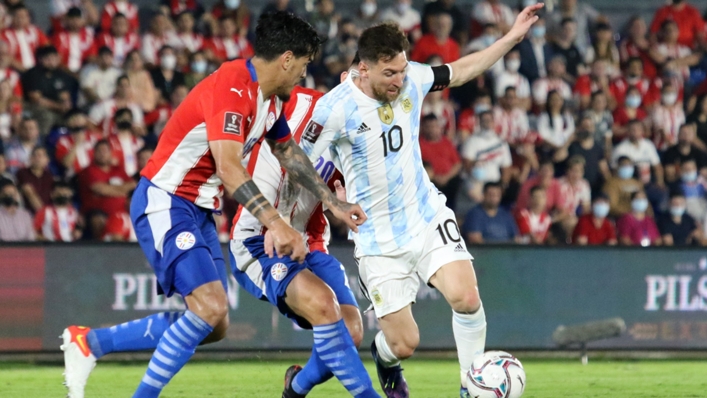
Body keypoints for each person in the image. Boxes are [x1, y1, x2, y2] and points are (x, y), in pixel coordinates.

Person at [62, 12, 369, 398]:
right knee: (208, 308)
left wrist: (332, 203)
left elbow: (289, 153)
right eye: (305, 64)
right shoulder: (233, 87)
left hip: (199, 210)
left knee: (214, 322)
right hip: (166, 199)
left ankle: (91, 343)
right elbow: (228, 167)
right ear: (287, 58)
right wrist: (275, 222)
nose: (304, 75)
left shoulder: (270, 100)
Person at [301, 5, 543, 397]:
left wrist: (512, 37)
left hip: (425, 214)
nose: (400, 80)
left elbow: (462, 69)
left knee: (466, 298)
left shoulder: (412, 77)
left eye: (402, 69)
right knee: (404, 344)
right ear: (363, 69)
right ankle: (386, 359)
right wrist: (333, 202)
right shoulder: (334, 108)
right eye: (389, 73)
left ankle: (471, 385)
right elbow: (296, 157)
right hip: (378, 237)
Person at [231, 80, 376, 397]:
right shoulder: (294, 107)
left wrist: (345, 199)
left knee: (351, 331)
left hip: (310, 244)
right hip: (258, 240)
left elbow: (348, 202)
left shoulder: (362, 142)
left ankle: (295, 388)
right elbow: (251, 161)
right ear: (351, 78)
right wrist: (272, 221)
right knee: (325, 305)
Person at [21, 46, 76, 136]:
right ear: (41, 59)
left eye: (54, 58)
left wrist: (66, 104)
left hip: (56, 108)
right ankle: (41, 142)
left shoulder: (61, 74)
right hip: (33, 107)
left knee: (75, 117)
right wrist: (59, 106)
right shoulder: (33, 74)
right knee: (47, 116)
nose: (52, 62)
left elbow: (65, 95)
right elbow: (36, 99)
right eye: (48, 59)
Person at [461, 110, 512, 203]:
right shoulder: (471, 141)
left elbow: (507, 168)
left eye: (489, 120)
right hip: (476, 184)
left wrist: (503, 186)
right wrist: (475, 170)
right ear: (479, 122)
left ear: (493, 122)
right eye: (484, 120)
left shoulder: (501, 143)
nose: (487, 123)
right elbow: (467, 164)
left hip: (494, 184)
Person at [78, 139, 136, 218]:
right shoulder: (89, 171)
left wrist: (109, 188)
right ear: (94, 153)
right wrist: (124, 190)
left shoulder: (118, 169)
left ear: (111, 153)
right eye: (99, 151)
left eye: (105, 151)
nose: (102, 154)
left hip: (123, 214)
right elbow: (100, 189)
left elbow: (133, 185)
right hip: (98, 214)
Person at [420, 113, 462, 210]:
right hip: (430, 182)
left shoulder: (446, 142)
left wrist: (446, 177)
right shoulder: (419, 145)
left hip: (449, 180)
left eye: (434, 126)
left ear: (439, 127)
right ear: (423, 128)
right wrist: (435, 177)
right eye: (428, 127)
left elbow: (457, 164)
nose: (432, 129)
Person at [0, 4, 50, 71]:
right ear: (11, 17)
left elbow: (47, 48)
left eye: (24, 16)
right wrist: (25, 71)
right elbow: (5, 57)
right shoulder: (4, 34)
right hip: (16, 71)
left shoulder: (35, 31)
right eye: (18, 16)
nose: (21, 19)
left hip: (37, 71)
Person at [55, 109, 102, 178]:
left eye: (79, 117)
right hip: (75, 177)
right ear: (67, 122)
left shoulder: (96, 137)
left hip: (97, 175)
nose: (76, 120)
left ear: (85, 119)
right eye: (72, 118)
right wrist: (77, 143)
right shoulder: (63, 141)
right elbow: (66, 164)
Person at [52, 7, 96, 74]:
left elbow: (92, 56)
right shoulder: (59, 37)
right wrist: (71, 73)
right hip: (64, 73)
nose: (75, 22)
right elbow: (57, 59)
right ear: (67, 20)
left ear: (82, 20)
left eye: (77, 19)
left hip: (83, 72)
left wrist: (83, 71)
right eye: (72, 19)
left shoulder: (88, 36)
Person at [16, 146, 55, 214]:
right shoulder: (23, 173)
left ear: (47, 159)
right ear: (30, 158)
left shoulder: (49, 176)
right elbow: (29, 192)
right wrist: (43, 214)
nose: (37, 158)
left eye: (40, 156)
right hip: (28, 213)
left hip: (47, 213)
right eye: (34, 155)